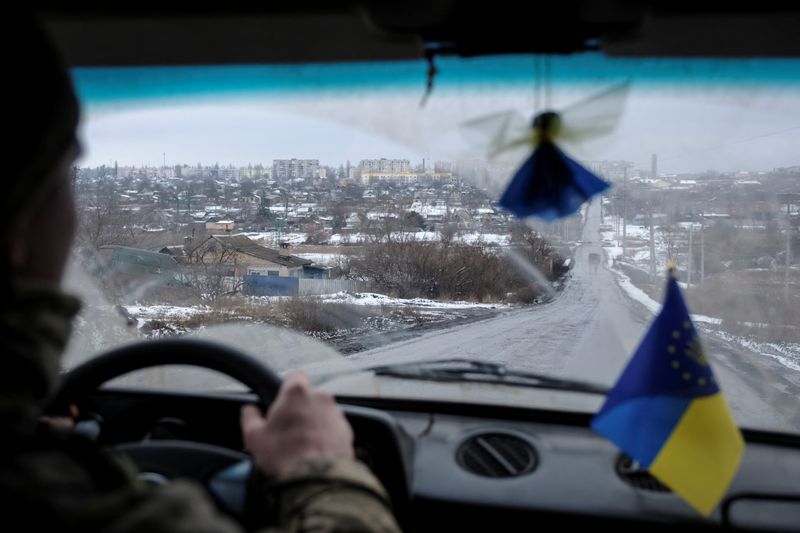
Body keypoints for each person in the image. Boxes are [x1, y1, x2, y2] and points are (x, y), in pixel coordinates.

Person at [0, 16, 401, 533]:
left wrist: (29, 433)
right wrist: (321, 473)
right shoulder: (54, 499)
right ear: (19, 234)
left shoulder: (29, 461)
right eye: (62, 184)